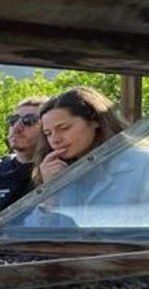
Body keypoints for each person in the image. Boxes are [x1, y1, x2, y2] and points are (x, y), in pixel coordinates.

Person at [22, 86, 146, 227]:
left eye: (64, 128)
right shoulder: (57, 171)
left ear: (95, 121)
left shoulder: (143, 165)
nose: (55, 139)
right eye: (48, 133)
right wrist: (50, 192)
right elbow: (31, 237)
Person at [0, 96, 48, 223]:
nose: (16, 128)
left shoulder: (60, 169)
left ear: (47, 128)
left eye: (29, 121)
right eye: (13, 120)